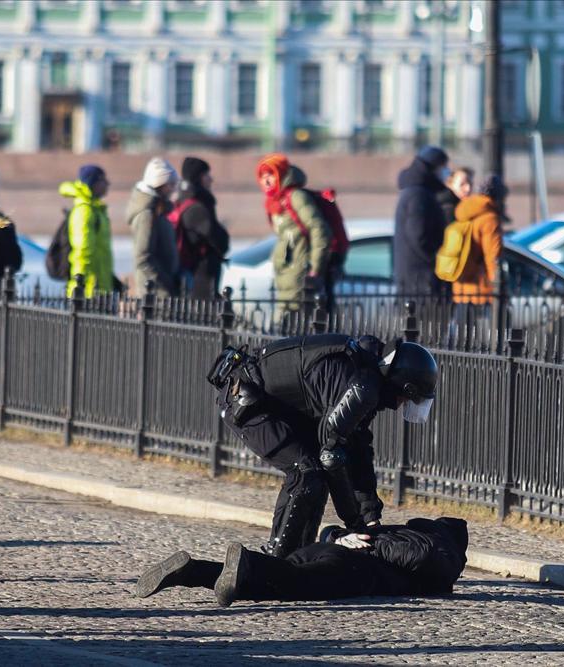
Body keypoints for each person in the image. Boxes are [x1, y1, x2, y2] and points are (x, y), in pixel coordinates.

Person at [205, 334, 438, 559]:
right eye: (407, 398)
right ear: (401, 386)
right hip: (246, 398)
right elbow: (332, 456)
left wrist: (371, 519)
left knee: (316, 470)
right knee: (306, 471)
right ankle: (276, 558)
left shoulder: (368, 375)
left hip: (272, 404)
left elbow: (358, 448)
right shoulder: (362, 388)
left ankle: (300, 556)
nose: (401, 405)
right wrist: (355, 524)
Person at [136, 517, 468, 607]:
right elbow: (423, 558)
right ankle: (246, 561)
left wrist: (337, 538)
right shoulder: (439, 549)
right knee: (290, 585)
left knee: (275, 583)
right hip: (352, 570)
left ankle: (193, 571)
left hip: (321, 551)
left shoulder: (399, 530)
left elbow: (335, 531)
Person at [256, 153, 331, 319]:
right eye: (262, 176)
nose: (266, 180)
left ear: (280, 175)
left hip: (300, 271)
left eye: (271, 175)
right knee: (284, 325)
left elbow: (319, 229)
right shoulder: (274, 202)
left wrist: (315, 268)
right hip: (286, 271)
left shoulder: (296, 197)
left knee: (294, 325)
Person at [448, 175, 507, 346]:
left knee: (460, 340)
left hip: (461, 284)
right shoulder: (489, 219)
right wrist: (498, 284)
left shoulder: (464, 212)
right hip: (482, 289)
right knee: (493, 342)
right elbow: (492, 256)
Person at [394, 145, 450, 296]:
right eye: (443, 167)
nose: (447, 171)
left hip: (419, 280)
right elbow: (418, 236)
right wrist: (437, 259)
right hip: (422, 282)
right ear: (433, 168)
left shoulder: (418, 192)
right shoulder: (418, 195)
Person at [173, 157, 230, 300]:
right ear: (198, 178)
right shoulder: (197, 208)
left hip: (194, 273)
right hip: (201, 275)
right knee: (205, 317)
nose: (211, 179)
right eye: (207, 175)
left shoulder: (184, 200)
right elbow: (220, 240)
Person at [59, 164, 114, 298]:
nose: (107, 183)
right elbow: (83, 251)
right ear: (92, 183)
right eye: (103, 180)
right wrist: (81, 286)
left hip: (100, 286)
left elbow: (101, 253)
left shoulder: (97, 210)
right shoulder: (85, 211)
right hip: (89, 290)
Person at [128, 157, 179, 298]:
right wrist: (165, 283)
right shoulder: (147, 215)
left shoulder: (159, 211)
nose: (174, 189)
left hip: (162, 290)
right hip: (155, 293)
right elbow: (143, 257)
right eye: (171, 184)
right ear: (160, 184)